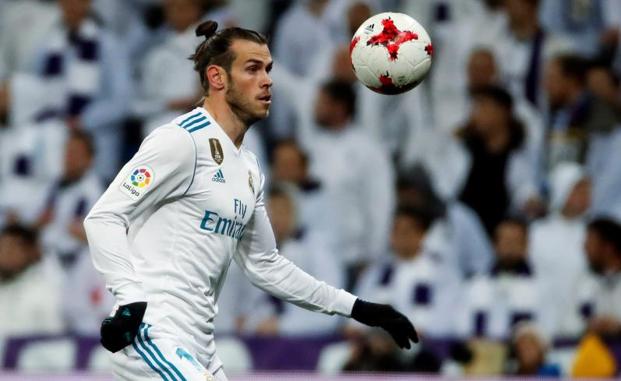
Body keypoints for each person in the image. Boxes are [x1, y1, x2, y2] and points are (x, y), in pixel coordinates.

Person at [84, 21, 418, 381]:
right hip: (152, 335)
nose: (267, 80)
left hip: (199, 346)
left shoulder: (249, 168)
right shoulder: (180, 142)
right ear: (217, 78)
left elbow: (265, 265)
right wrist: (130, 298)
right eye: (253, 69)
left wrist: (357, 307)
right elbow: (103, 218)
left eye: (269, 69)